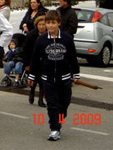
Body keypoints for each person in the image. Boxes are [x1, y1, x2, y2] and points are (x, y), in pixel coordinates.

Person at [27, 10, 80, 141]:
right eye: (48, 23)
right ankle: (54, 129)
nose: (50, 26)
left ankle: (59, 120)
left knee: (64, 104)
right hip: (48, 79)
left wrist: (76, 74)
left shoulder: (67, 39)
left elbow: (73, 58)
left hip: (65, 78)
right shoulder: (41, 40)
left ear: (59, 23)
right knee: (52, 104)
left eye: (53, 23)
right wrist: (31, 76)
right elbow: (35, 59)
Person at [23, 15, 47, 107]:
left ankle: (41, 99)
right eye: (40, 25)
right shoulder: (31, 35)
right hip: (33, 61)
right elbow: (26, 51)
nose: (41, 27)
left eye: (43, 25)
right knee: (33, 80)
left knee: (43, 81)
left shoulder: (49, 35)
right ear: (36, 25)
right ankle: (32, 91)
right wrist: (26, 64)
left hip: (44, 62)